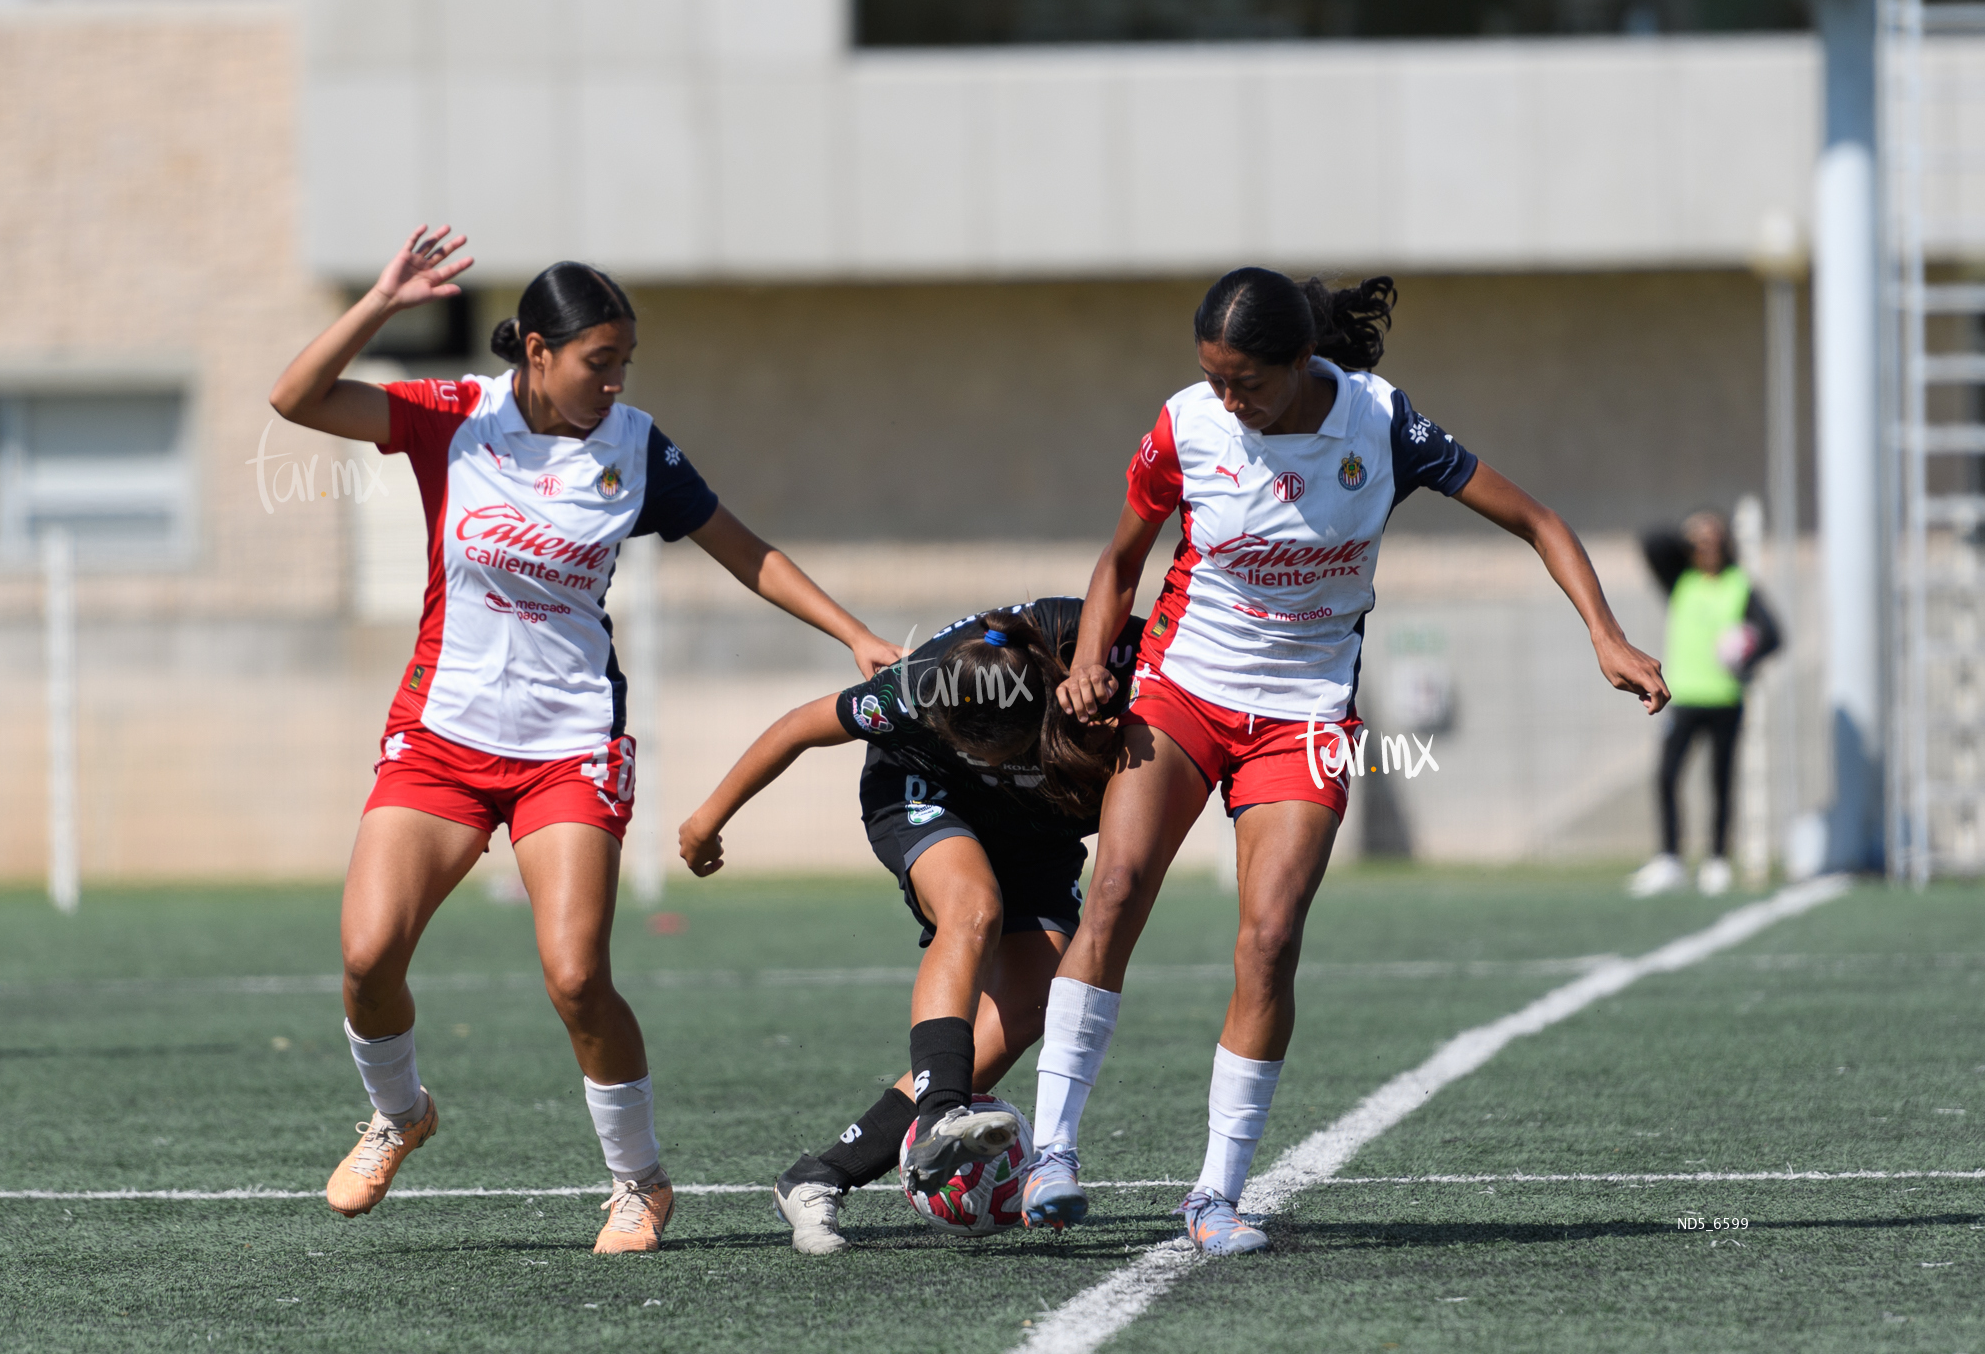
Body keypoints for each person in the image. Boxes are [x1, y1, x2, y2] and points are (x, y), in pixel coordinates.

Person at [267, 225, 900, 1255]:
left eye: (624, 365)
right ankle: (398, 1114)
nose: (613, 383)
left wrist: (854, 634)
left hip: (568, 744)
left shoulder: (635, 447)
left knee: (573, 976)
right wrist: (382, 303)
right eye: (597, 364)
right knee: (367, 954)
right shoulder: (452, 420)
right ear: (536, 355)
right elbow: (294, 399)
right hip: (441, 738)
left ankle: (639, 1184)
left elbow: (745, 552)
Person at [1021, 268, 1670, 1255]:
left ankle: (1213, 1199)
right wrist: (1081, 668)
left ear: (1298, 363)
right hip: (1181, 686)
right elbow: (1120, 562)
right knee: (1111, 888)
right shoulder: (1185, 427)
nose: (1226, 399)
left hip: (1302, 712)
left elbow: (1535, 518)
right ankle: (1053, 1154)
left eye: (1244, 381)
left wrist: (1606, 636)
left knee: (1269, 941)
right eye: (1212, 377)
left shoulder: (1380, 425)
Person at [676, 599, 1140, 1254]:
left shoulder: (1116, 662)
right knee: (972, 908)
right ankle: (941, 1111)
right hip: (921, 792)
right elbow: (797, 727)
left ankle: (819, 1176)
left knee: (1032, 1005)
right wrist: (706, 820)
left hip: (1041, 826)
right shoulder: (917, 688)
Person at [1628, 511, 1783, 897]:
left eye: (1715, 539)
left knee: (1720, 781)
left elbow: (1774, 635)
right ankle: (1670, 859)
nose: (1707, 547)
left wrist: (1747, 651)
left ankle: (1716, 860)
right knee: (1666, 775)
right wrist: (1690, 530)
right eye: (1700, 541)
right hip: (1684, 698)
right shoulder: (1681, 580)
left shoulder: (1739, 585)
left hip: (1725, 699)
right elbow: (1651, 540)